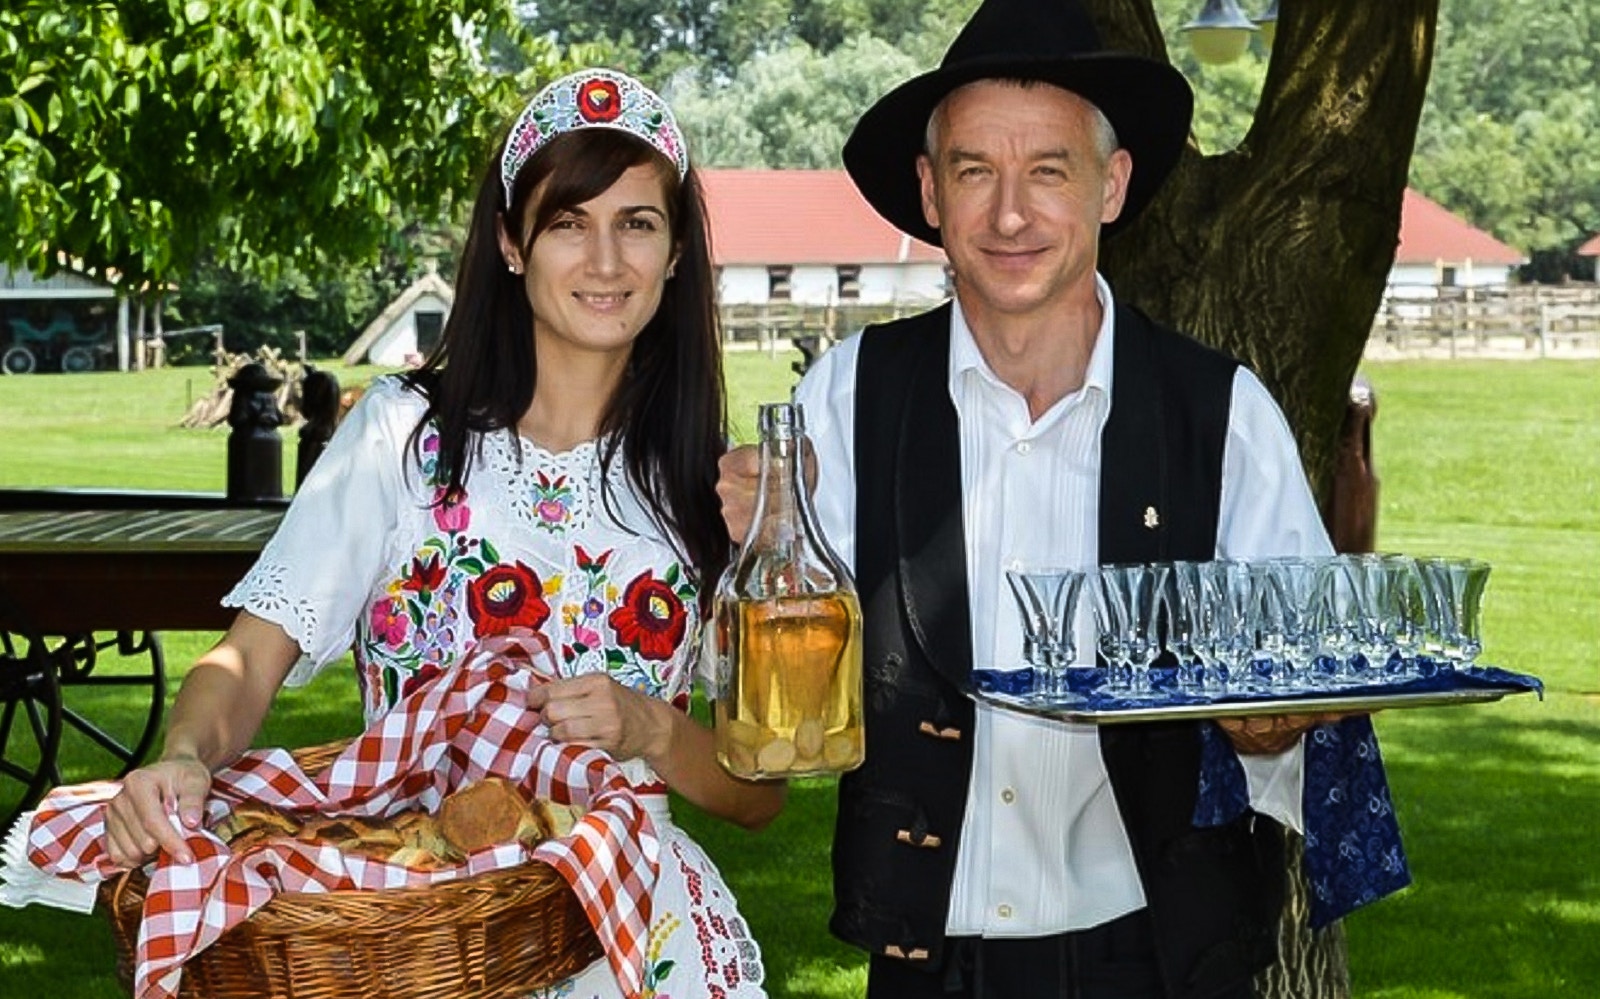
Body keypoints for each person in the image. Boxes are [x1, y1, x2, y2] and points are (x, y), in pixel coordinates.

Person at [717, 1, 1370, 996]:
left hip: (1159, 954)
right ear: (930, 192)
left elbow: (1304, 689)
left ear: (1111, 186)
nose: (1009, 215)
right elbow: (788, 701)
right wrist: (759, 554)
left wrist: (1271, 728)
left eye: (1047, 172)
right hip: (927, 958)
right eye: (975, 170)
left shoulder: (1221, 413)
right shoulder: (848, 396)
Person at [105, 67, 777, 999]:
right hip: (409, 926)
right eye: (568, 223)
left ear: (674, 254)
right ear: (510, 243)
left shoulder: (719, 488)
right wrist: (182, 756)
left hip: (637, 944)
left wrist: (651, 727)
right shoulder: (401, 438)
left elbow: (758, 792)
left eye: (638, 223)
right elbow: (248, 662)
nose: (606, 261)